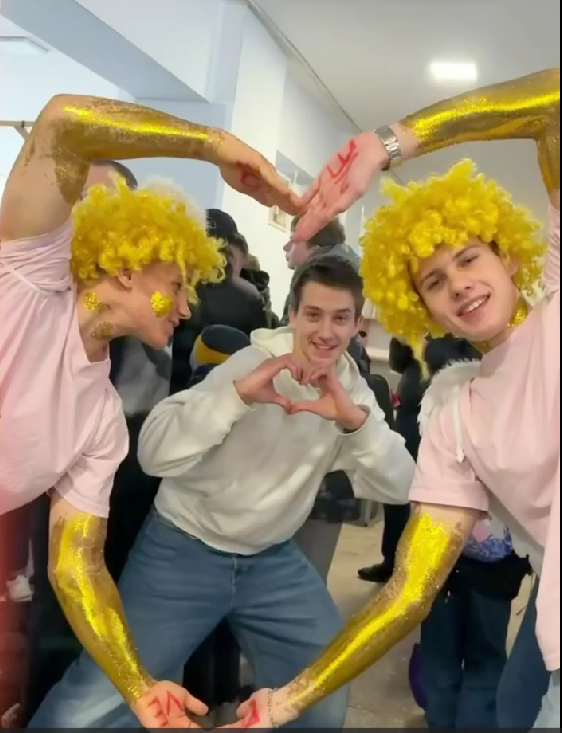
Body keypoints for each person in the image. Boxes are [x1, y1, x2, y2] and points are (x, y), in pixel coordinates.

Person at [238, 67, 560, 729]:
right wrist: (292, 697)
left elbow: (553, 102)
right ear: (424, 310)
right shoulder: (456, 419)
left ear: (507, 255)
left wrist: (387, 145)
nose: (459, 285)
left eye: (469, 259)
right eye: (434, 281)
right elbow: (410, 588)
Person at [0, 92, 301, 729]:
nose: (187, 309)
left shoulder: (102, 421)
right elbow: (63, 122)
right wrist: (213, 144)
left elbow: (76, 567)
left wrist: (136, 685)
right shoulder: (24, 279)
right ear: (128, 268)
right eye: (177, 286)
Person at [28, 254, 415, 729]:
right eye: (313, 314)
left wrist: (354, 423)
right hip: (182, 549)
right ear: (293, 315)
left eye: (340, 318)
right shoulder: (250, 363)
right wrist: (235, 397)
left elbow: (403, 486)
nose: (325, 331)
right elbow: (154, 453)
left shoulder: (351, 391)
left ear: (357, 325)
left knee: (323, 689)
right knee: (101, 694)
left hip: (272, 559)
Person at [170, 209, 270, 394]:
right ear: (231, 245)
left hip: (171, 391)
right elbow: (259, 355)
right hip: (225, 394)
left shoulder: (178, 284)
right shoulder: (250, 296)